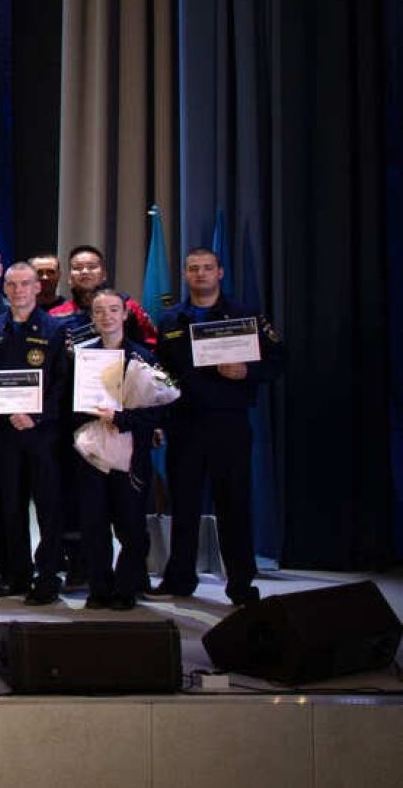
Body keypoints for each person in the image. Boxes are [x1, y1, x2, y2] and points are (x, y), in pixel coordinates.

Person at [154, 247, 285, 605]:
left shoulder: (244, 316)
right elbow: (159, 373)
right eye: (193, 268)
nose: (200, 274)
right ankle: (180, 578)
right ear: (185, 275)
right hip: (184, 424)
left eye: (207, 268)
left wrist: (247, 372)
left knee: (234, 505)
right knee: (184, 506)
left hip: (229, 423)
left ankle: (240, 583)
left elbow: (277, 360)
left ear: (220, 273)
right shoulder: (171, 320)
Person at [72, 287, 168, 610]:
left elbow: (160, 408)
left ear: (125, 314)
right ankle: (99, 589)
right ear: (92, 317)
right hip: (91, 452)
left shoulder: (145, 357)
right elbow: (67, 404)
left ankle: (126, 588)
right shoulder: (82, 357)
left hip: (130, 452)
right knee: (93, 523)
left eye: (113, 310)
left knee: (131, 525)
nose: (107, 317)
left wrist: (121, 418)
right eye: (99, 311)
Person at [0, 263, 68, 604]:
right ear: (5, 288)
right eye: (12, 284)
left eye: (25, 284)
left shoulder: (55, 329)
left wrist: (36, 415)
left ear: (37, 287)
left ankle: (48, 577)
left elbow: (61, 383)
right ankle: (15, 575)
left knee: (48, 507)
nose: (18, 290)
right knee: (9, 505)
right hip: (4, 432)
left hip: (41, 434)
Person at [49, 244, 157, 346]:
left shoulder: (128, 307)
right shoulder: (56, 315)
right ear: (69, 278)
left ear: (104, 275)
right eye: (77, 268)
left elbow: (151, 346)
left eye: (92, 267)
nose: (85, 271)